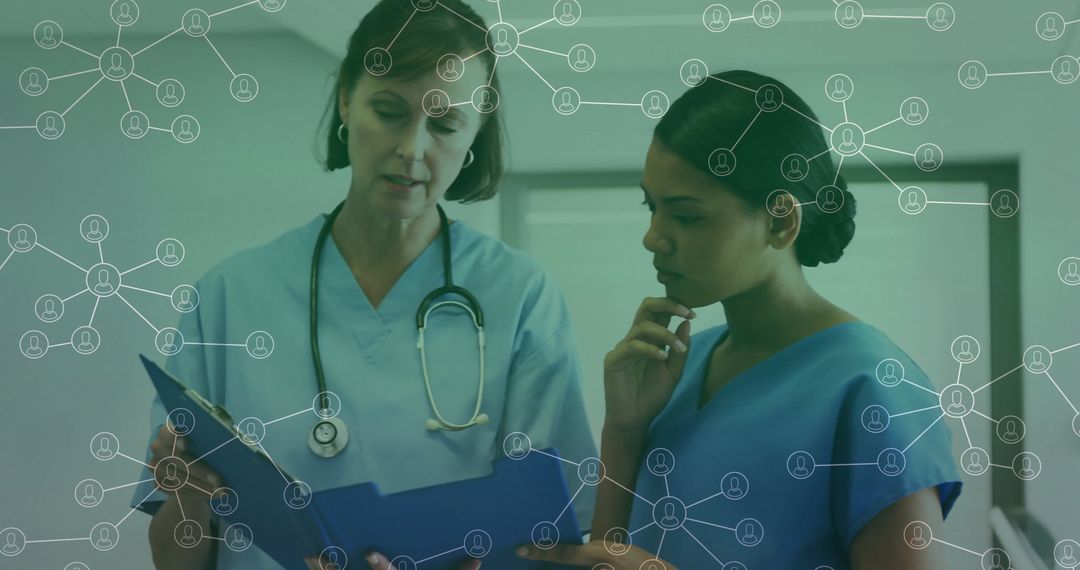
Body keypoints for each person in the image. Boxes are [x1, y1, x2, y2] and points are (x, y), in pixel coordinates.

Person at [131, 2, 597, 569]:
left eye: (445, 124)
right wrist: (187, 494)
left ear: (475, 132)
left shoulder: (520, 297)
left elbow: (553, 539)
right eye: (389, 110)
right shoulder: (230, 296)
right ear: (347, 101)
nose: (412, 148)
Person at [518, 70, 961, 569]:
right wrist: (624, 431)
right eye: (652, 207)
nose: (653, 237)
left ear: (780, 220)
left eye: (686, 216)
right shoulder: (679, 364)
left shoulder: (874, 387)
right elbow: (609, 558)